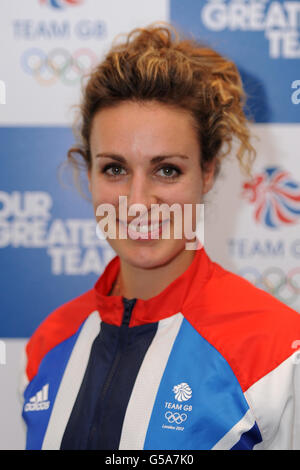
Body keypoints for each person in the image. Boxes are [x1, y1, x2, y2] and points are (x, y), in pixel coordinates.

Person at [21, 23, 300, 450]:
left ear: (206, 173)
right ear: (89, 173)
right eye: (114, 169)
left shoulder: (277, 349)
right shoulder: (50, 341)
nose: (137, 202)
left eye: (166, 169)